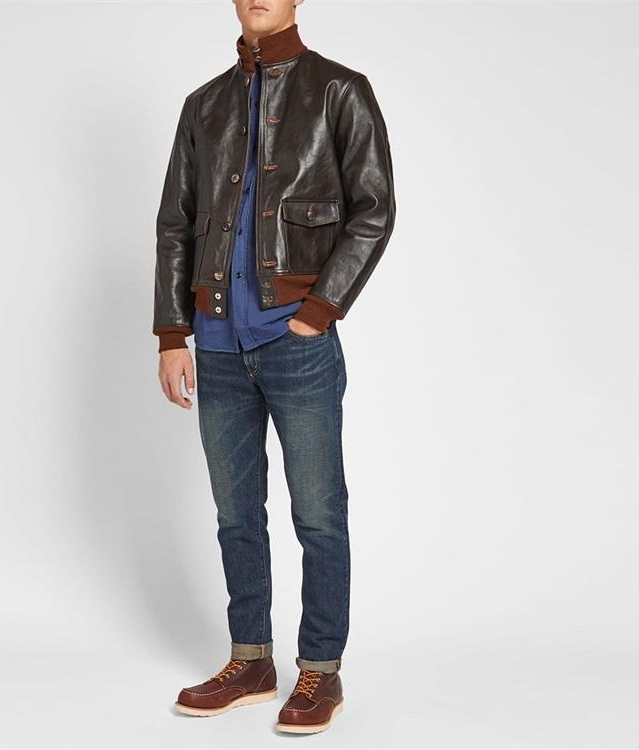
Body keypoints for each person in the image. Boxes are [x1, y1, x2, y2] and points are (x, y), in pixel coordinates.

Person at [153, 0, 395, 734]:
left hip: (296, 342)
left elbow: (374, 209)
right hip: (216, 342)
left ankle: (321, 669)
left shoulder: (339, 90)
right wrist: (172, 333)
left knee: (318, 514)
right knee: (236, 515)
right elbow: (176, 222)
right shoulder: (203, 104)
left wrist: (318, 310)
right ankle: (251, 660)